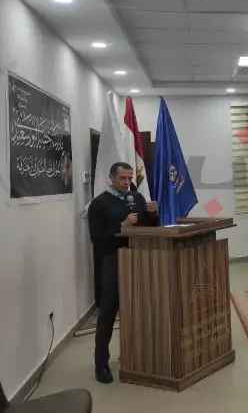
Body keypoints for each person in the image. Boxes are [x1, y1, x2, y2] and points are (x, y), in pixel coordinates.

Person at [88, 162, 158, 384]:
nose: (127, 182)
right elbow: (96, 237)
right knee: (108, 311)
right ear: (111, 178)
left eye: (130, 178)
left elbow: (147, 227)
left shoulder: (136, 198)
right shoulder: (99, 204)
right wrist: (122, 226)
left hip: (136, 258)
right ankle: (101, 364)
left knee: (138, 308)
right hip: (111, 260)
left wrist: (151, 213)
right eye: (123, 178)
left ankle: (136, 355)